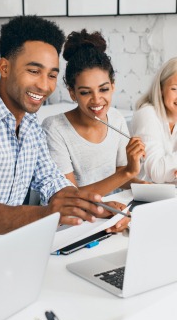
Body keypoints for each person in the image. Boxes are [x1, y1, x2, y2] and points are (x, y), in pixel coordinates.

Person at [0, 15, 110, 245]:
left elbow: (51, 181)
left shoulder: (30, 125)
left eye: (52, 75)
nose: (45, 86)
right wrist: (47, 215)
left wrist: (93, 208)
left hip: (6, 250)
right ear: (4, 68)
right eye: (34, 71)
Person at [42, 29, 146, 197]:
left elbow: (120, 175)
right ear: (72, 93)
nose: (97, 100)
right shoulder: (54, 128)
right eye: (85, 92)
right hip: (73, 218)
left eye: (103, 89)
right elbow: (69, 196)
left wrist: (147, 187)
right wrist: (128, 172)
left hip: (111, 212)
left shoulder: (116, 119)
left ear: (113, 86)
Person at [131, 57, 177, 183]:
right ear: (161, 88)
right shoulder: (147, 114)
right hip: (146, 196)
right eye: (175, 89)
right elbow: (157, 173)